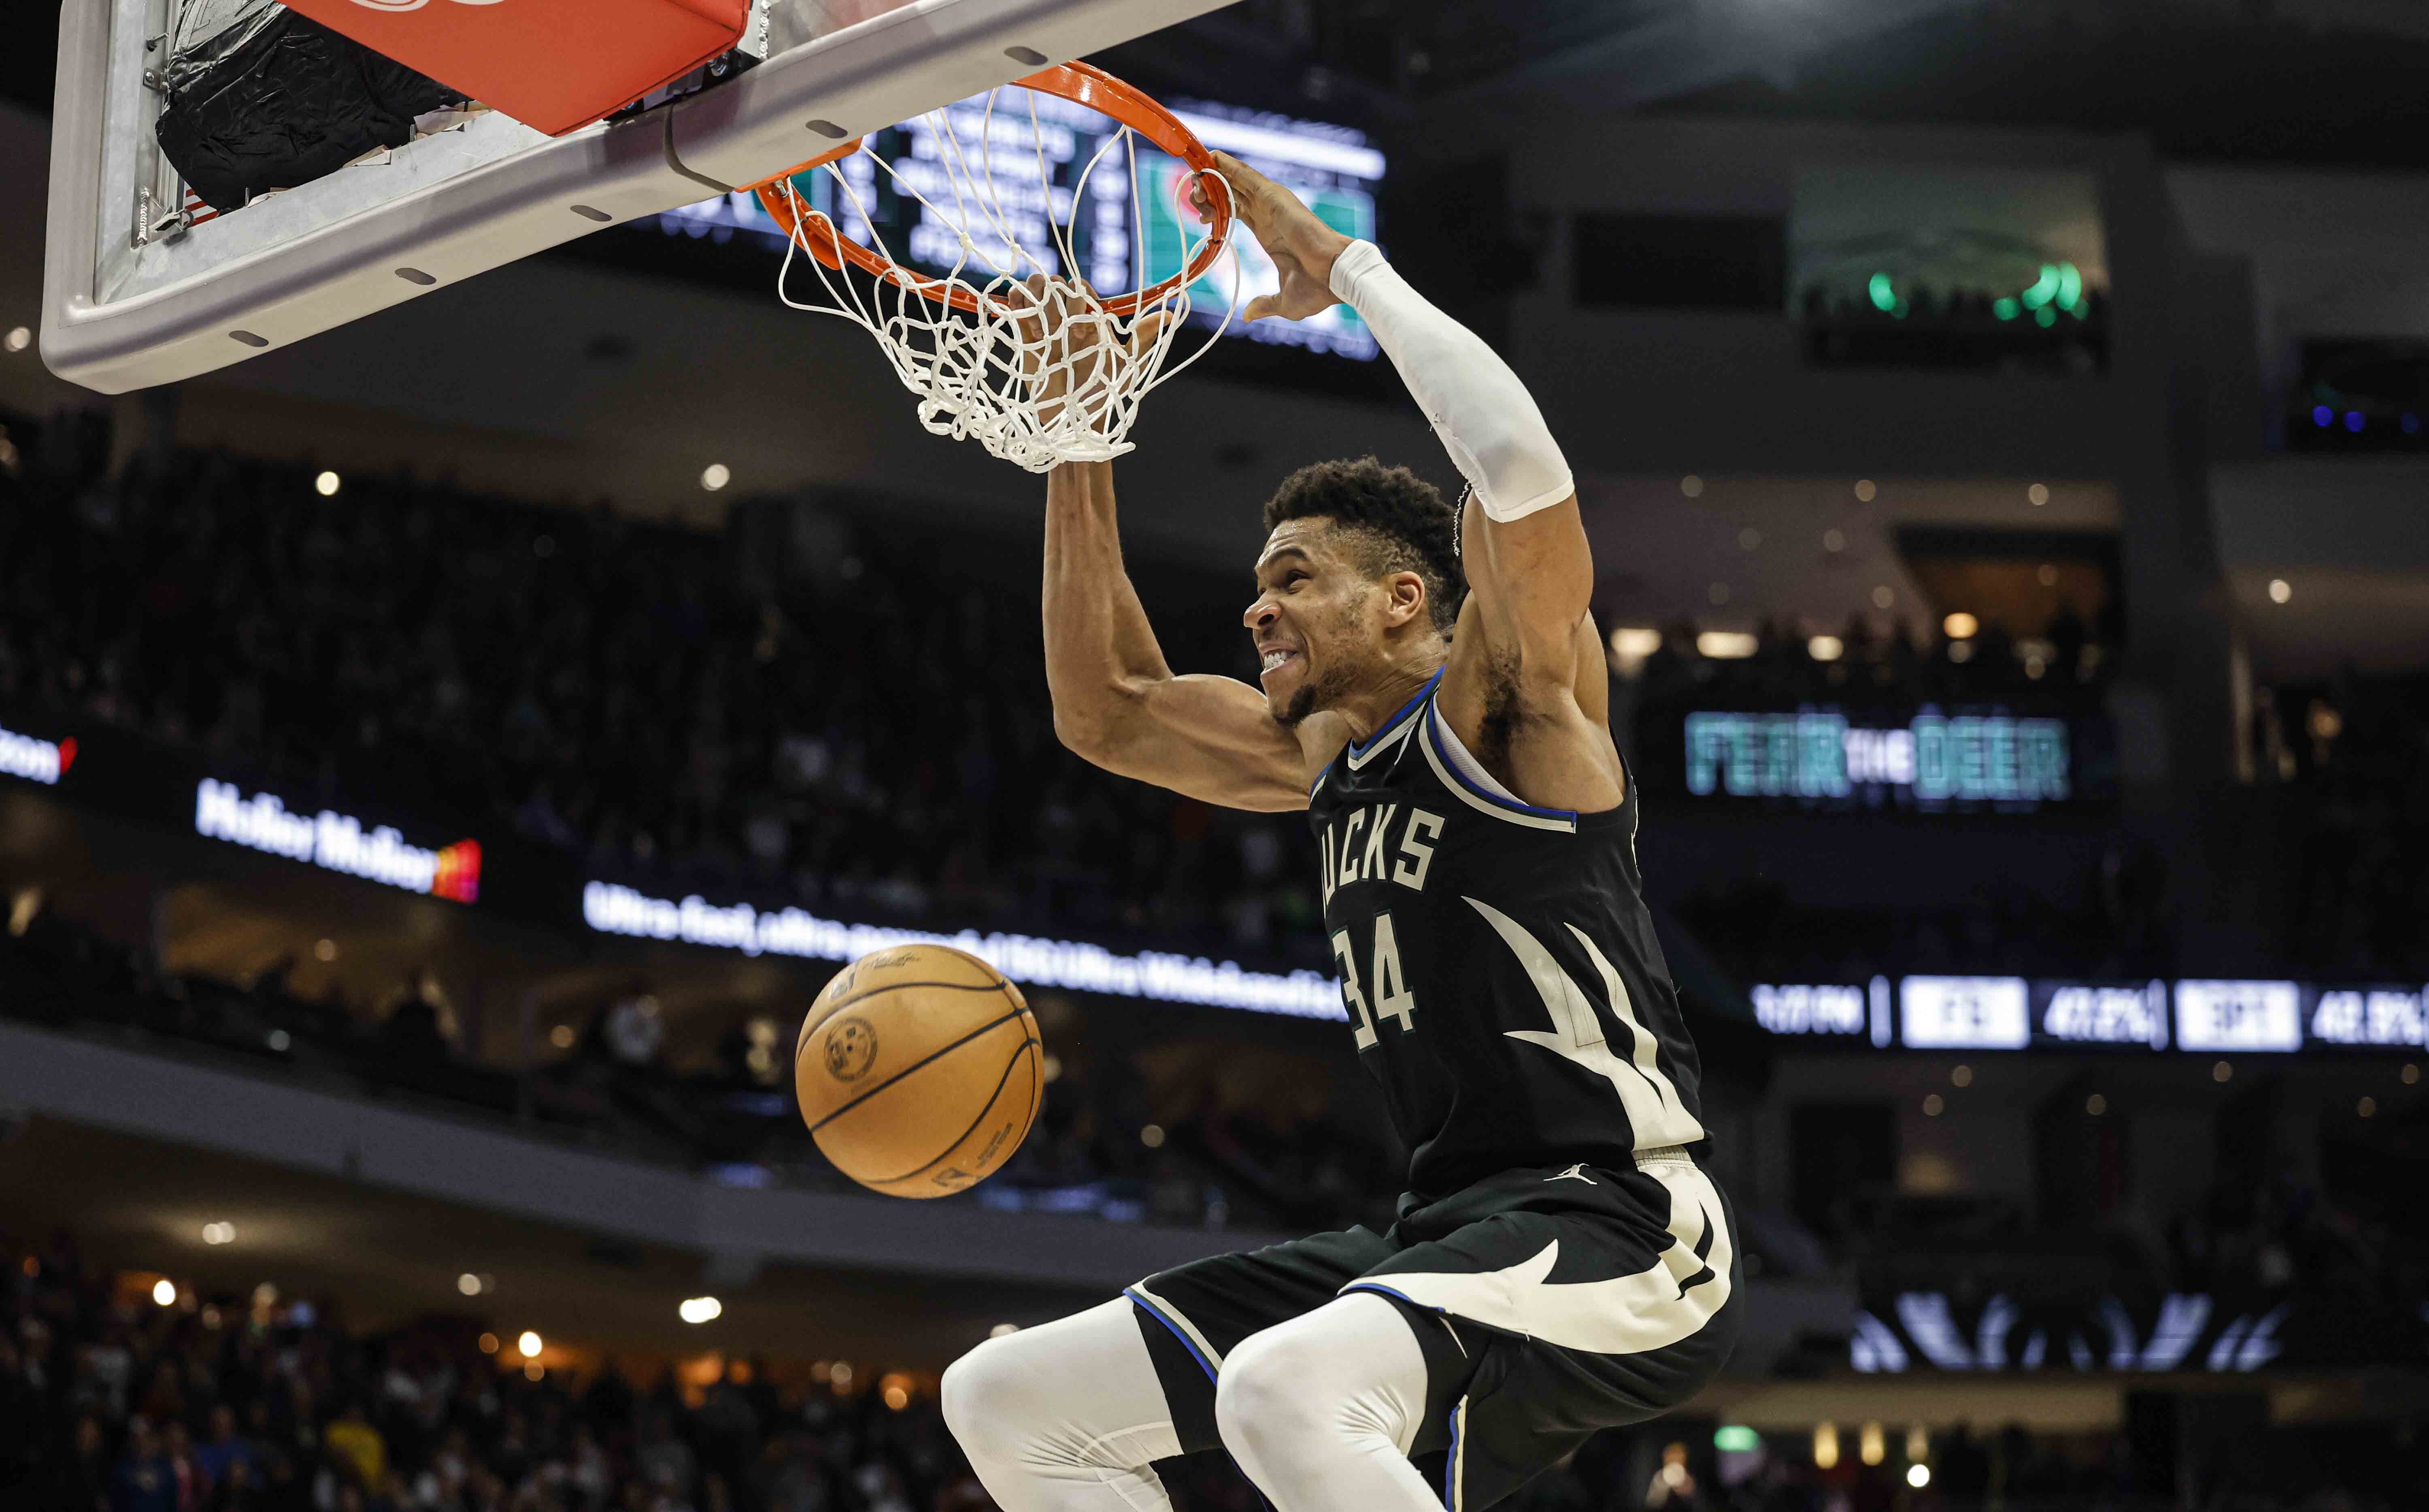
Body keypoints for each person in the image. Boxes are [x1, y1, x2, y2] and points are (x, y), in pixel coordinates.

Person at [941, 153, 1739, 1512]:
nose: (1255, 612)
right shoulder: (1318, 758)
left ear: (1403, 601)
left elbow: (1522, 470)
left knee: (1281, 1391)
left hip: (1623, 1213)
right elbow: (1111, 708)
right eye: (1259, 588)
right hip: (1444, 1223)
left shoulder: (1510, 708)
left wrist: (1339, 263)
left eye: (1293, 581)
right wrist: (1080, 435)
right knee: (1008, 1402)